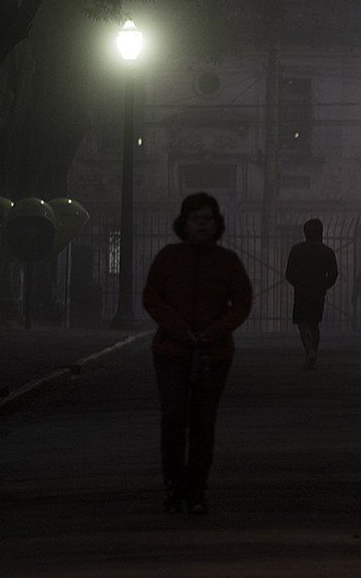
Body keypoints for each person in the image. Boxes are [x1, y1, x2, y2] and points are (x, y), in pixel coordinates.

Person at [142, 192, 252, 516]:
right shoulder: (168, 258)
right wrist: (179, 329)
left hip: (212, 353)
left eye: (208, 219)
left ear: (216, 223)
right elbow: (153, 298)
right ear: (184, 224)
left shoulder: (227, 262)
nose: (202, 225)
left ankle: (197, 489)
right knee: (174, 417)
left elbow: (242, 302)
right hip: (172, 350)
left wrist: (212, 332)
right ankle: (175, 486)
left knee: (203, 424)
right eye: (195, 219)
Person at [284, 218, 339, 370]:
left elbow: (289, 273)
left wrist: (298, 283)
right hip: (318, 291)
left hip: (302, 290)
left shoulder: (297, 250)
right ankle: (313, 350)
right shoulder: (327, 252)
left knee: (302, 322)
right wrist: (324, 285)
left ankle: (309, 350)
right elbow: (333, 274)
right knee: (314, 322)